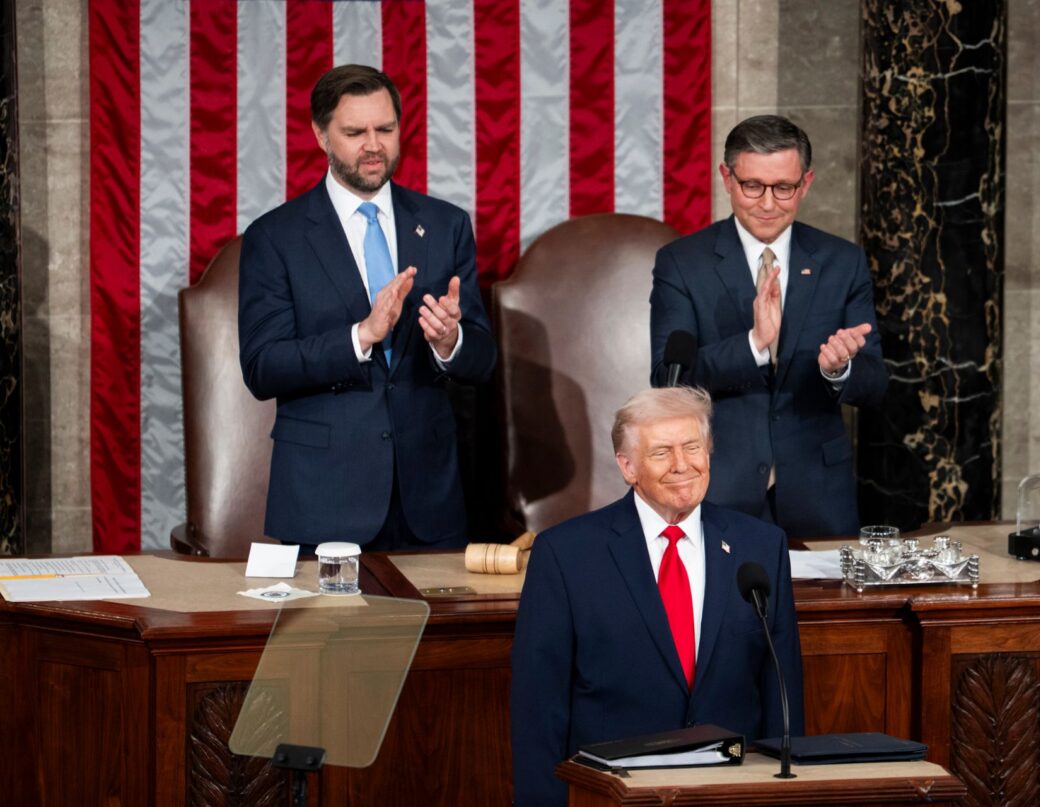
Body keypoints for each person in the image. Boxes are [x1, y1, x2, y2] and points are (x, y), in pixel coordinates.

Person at [238, 65, 496, 550]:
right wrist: (361, 335)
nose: (373, 145)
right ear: (321, 135)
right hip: (325, 503)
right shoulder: (276, 238)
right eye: (355, 132)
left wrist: (449, 342)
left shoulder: (445, 225)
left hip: (430, 500)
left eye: (385, 129)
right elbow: (262, 367)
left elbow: (482, 360)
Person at [511, 387, 803, 807]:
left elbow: (782, 693)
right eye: (662, 453)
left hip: (734, 793)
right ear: (627, 466)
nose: (682, 465)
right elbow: (538, 711)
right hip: (614, 794)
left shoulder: (760, 546)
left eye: (692, 447)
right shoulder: (566, 554)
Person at [650, 115, 887, 538]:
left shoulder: (842, 262)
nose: (767, 203)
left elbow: (874, 385)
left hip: (820, 495)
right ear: (727, 177)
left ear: (806, 183)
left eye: (784, 188)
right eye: (752, 186)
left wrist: (840, 368)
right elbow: (670, 382)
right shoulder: (683, 264)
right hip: (721, 488)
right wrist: (754, 343)